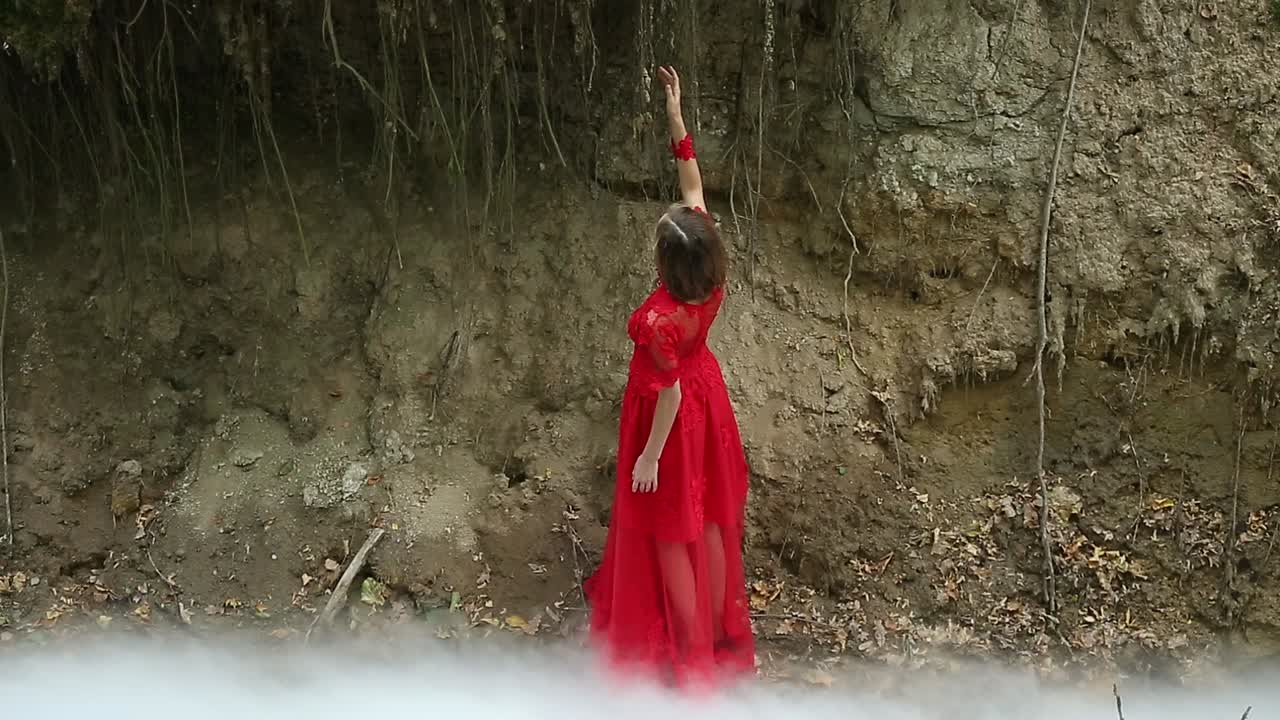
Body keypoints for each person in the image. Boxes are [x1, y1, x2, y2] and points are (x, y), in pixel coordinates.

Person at [584, 65, 755, 689]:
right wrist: (676, 117)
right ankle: (710, 636)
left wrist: (650, 457)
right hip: (710, 396)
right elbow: (692, 182)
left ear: (666, 261)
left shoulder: (660, 320)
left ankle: (689, 659)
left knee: (668, 530)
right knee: (706, 517)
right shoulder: (709, 273)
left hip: (673, 415)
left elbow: (668, 390)